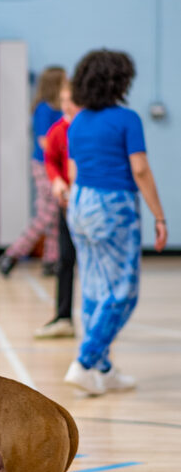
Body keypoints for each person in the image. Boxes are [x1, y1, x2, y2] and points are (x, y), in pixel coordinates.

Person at [64, 49, 168, 396]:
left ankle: (104, 369)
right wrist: (159, 214)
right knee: (122, 292)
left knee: (94, 287)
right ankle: (85, 360)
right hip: (113, 205)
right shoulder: (127, 120)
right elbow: (139, 169)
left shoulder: (78, 122)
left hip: (80, 203)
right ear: (120, 81)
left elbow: (75, 170)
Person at [0, 65, 64, 277]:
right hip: (44, 165)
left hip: (56, 166)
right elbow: (45, 142)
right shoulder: (44, 109)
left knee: (55, 214)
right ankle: (13, 253)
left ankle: (51, 259)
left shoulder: (60, 109)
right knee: (46, 214)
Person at [34, 79, 80, 339]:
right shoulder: (57, 130)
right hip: (67, 206)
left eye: (70, 100)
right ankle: (63, 317)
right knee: (65, 260)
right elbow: (50, 160)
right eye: (63, 100)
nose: (66, 105)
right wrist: (57, 181)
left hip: (89, 206)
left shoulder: (88, 129)